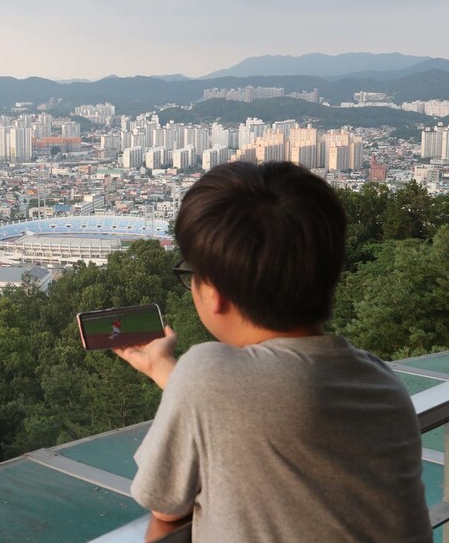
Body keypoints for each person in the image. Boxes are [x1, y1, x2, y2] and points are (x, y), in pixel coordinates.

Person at [113, 161, 431, 543]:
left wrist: (177, 373)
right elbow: (262, 406)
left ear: (213, 293)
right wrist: (165, 368)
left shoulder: (205, 373)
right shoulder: (382, 383)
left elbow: (166, 506)